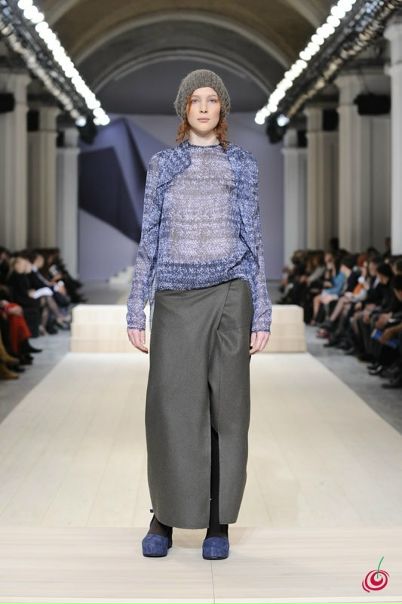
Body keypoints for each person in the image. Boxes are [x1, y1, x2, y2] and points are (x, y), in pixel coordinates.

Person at [126, 69, 272, 560]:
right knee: (170, 409)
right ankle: (164, 516)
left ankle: (217, 521)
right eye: (195, 99)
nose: (204, 107)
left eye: (212, 99)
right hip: (174, 296)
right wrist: (136, 306)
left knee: (226, 411)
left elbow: (254, 239)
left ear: (222, 108)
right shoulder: (164, 164)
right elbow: (149, 236)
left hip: (231, 291)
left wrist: (262, 311)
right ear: (184, 108)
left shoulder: (242, 164)